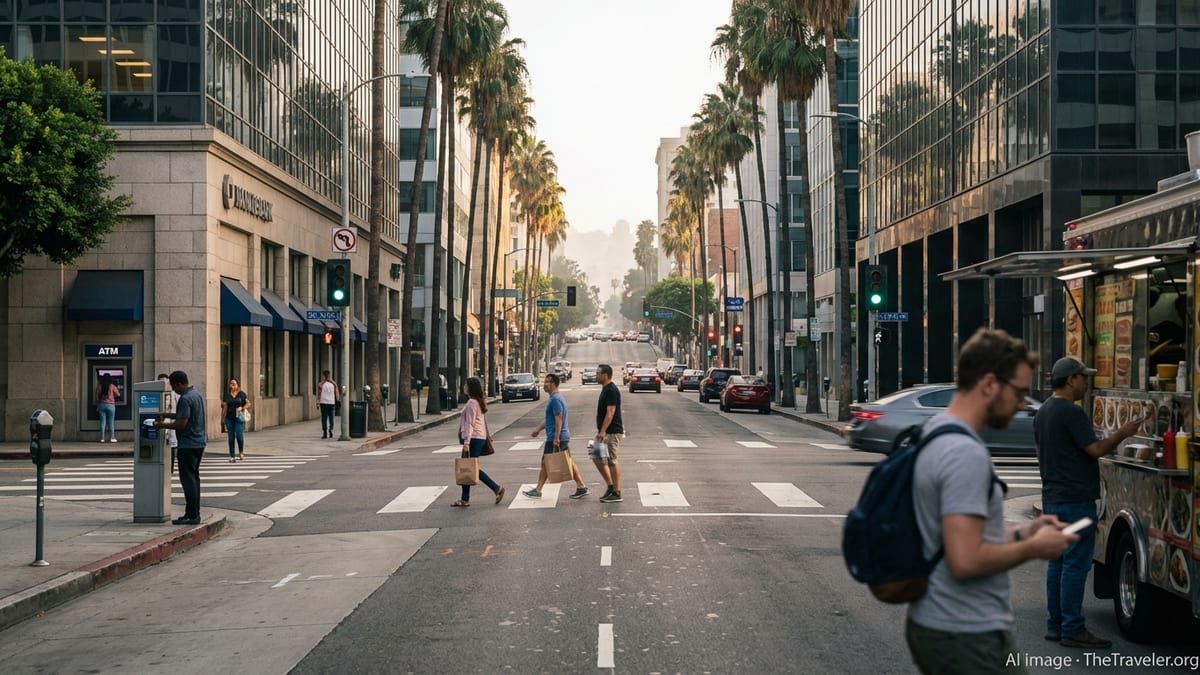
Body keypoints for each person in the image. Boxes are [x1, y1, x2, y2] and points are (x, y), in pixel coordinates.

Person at [907, 328, 1078, 674]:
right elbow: (966, 561)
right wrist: (1034, 548)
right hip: (966, 630)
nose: (1022, 404)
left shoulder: (935, 431)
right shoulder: (963, 453)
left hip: (941, 621)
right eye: (1019, 392)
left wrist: (1024, 534)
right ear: (988, 384)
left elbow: (956, 539)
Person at [1035, 357, 1139, 648]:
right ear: (1070, 381)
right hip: (1075, 500)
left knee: (1058, 564)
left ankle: (1055, 625)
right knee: (1075, 566)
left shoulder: (1043, 411)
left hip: (1052, 499)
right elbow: (1094, 449)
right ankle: (1073, 628)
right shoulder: (1071, 412)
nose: (1086, 382)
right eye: (1083, 377)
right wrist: (1122, 433)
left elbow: (1041, 453)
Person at [524, 372, 589, 499]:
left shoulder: (555, 400)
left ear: (553, 384)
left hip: (557, 437)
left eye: (547, 382)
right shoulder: (555, 398)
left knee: (548, 462)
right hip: (557, 436)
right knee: (561, 461)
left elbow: (558, 419)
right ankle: (581, 486)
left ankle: (538, 489)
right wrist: (538, 429)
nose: (544, 384)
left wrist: (556, 438)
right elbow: (551, 419)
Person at [153, 371, 206, 526]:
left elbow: (182, 423)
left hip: (188, 444)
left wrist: (160, 425)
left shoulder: (185, 398)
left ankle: (192, 515)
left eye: (174, 387)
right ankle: (194, 513)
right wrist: (166, 414)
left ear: (179, 384)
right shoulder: (195, 394)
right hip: (198, 443)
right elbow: (184, 416)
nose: (174, 390)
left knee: (188, 481)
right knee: (194, 479)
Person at [454, 376, 504, 507]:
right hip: (478, 437)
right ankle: (465, 498)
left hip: (474, 438)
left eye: (466, 385)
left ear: (470, 388)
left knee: (470, 467)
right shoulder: (477, 402)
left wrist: (466, 442)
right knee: (469, 467)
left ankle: (496, 489)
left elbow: (470, 424)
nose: (464, 387)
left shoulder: (472, 403)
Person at [592, 364, 625, 503]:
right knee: (595, 456)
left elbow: (610, 412)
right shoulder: (605, 389)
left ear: (605, 375)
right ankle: (610, 485)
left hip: (611, 431)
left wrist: (603, 431)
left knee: (612, 460)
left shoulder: (611, 390)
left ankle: (617, 492)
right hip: (604, 431)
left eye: (598, 373)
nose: (596, 376)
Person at [220, 377, 250, 462]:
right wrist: (222, 420)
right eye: (231, 384)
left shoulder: (241, 394)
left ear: (238, 385)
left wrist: (242, 408)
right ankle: (232, 455)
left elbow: (248, 403)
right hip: (229, 418)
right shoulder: (227, 395)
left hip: (239, 418)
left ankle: (241, 451)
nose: (232, 385)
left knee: (239, 436)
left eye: (234, 384)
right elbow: (224, 408)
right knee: (231, 437)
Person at [157, 373, 178, 474]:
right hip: (162, 419)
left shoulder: (174, 394)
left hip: (171, 419)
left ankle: (171, 467)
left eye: (166, 382)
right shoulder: (157, 393)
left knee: (172, 444)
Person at [95, 373, 119, 443]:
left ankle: (102, 438)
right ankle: (112, 438)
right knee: (111, 422)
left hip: (102, 405)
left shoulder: (100, 386)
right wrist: (112, 396)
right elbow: (118, 394)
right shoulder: (112, 386)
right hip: (111, 405)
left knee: (103, 422)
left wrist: (99, 400)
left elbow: (96, 396)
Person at [318, 370, 339, 439]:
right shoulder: (333, 384)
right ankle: (331, 430)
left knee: (324, 418)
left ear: (323, 376)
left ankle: (324, 432)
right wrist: (337, 400)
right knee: (331, 417)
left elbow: (319, 394)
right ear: (329, 375)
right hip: (331, 402)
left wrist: (317, 402)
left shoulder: (321, 384)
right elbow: (336, 393)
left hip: (323, 402)